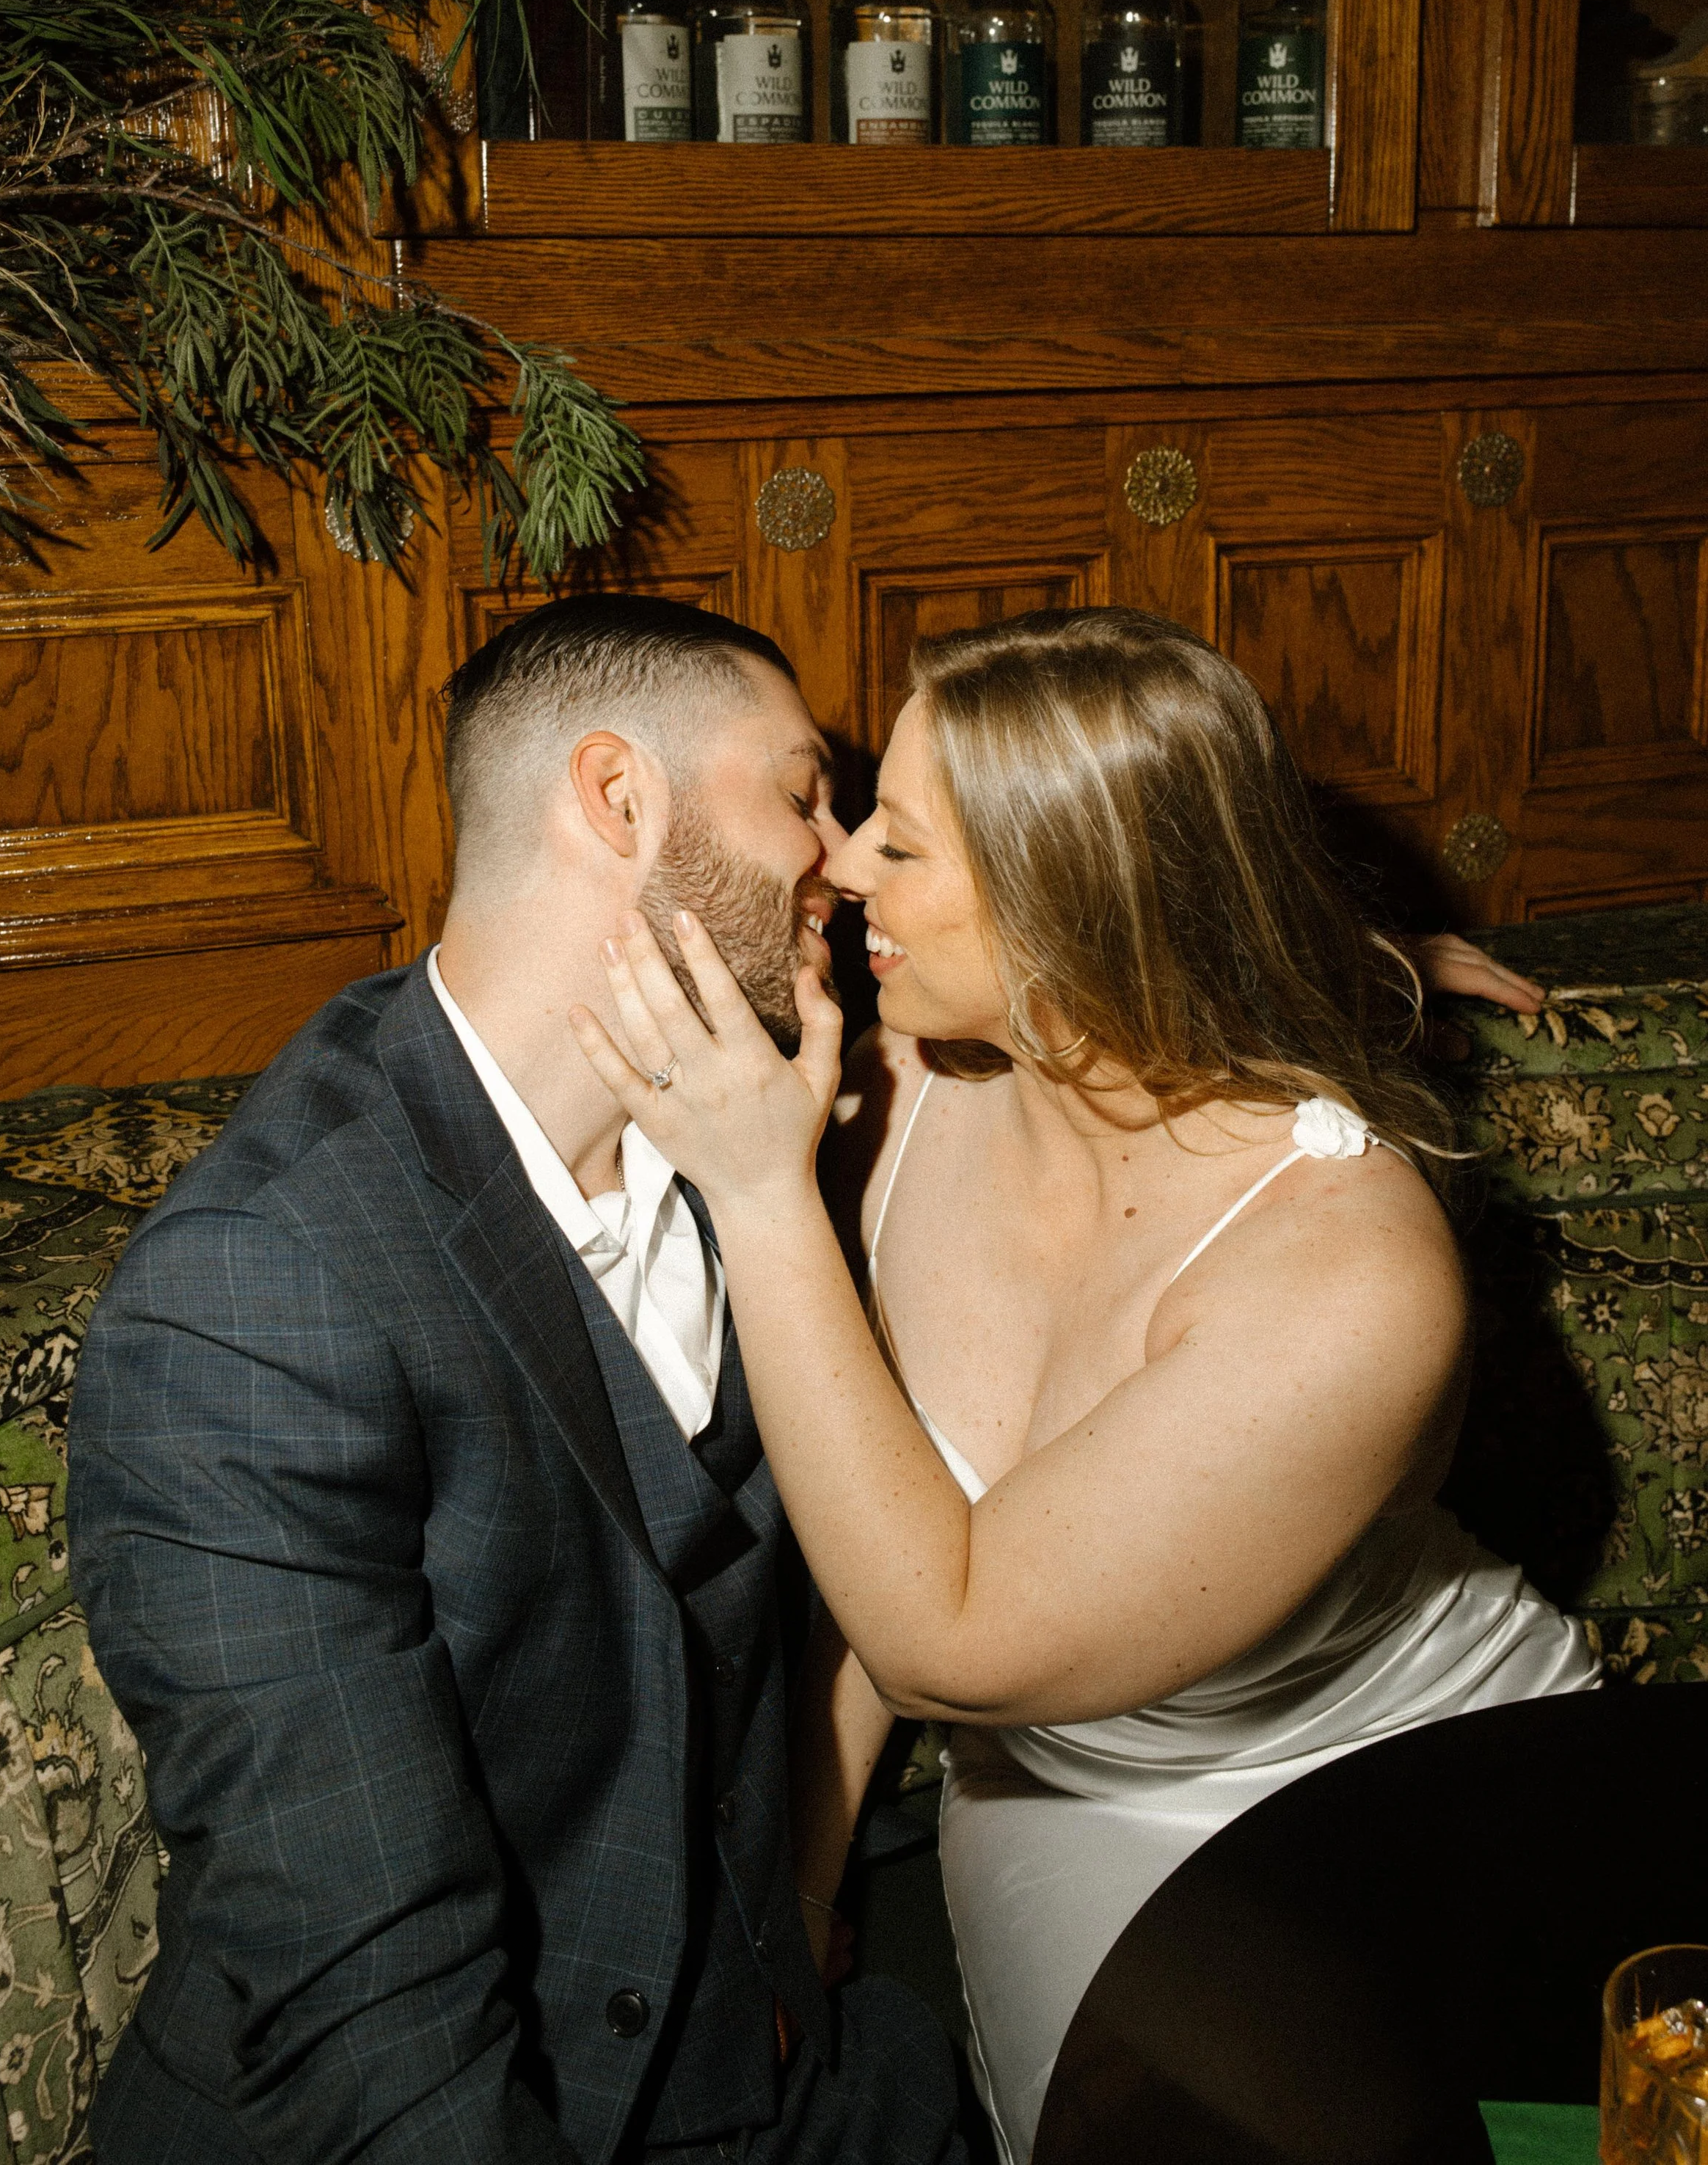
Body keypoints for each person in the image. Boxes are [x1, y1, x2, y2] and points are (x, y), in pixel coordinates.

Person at [564, 606, 1597, 2165]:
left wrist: (760, 1197)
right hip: (1082, 1819)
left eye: (900, 842)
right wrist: (798, 1892)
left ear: (1068, 899)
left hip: (1436, 1775)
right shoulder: (895, 1085)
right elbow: (876, 1553)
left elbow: (943, 1638)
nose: (843, 864)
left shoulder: (1352, 1276)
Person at [67, 596, 966, 2165]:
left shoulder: (766, 1118)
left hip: (766, 2059)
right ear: (618, 798)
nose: (842, 857)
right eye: (802, 793)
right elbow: (374, 2022)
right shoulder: (257, 1286)